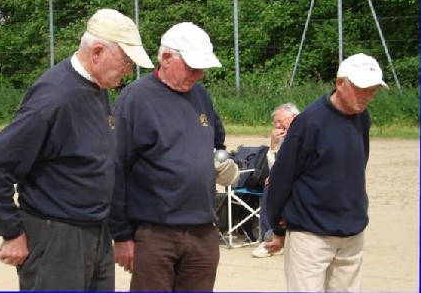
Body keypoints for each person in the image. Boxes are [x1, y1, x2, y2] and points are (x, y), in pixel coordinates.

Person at [0, 9, 154, 291]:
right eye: (126, 63)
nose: (128, 72)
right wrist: (11, 232)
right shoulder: (55, 98)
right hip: (57, 236)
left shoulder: (97, 88)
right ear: (97, 52)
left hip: (95, 232)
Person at [108, 22, 239, 291]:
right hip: (155, 232)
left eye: (202, 68)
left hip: (203, 230)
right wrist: (120, 235)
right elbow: (114, 168)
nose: (200, 74)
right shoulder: (135, 99)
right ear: (166, 58)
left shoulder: (200, 95)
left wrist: (222, 163)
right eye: (192, 67)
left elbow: (216, 143)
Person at [265, 53, 389, 291]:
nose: (367, 95)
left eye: (373, 89)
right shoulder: (310, 122)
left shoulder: (362, 118)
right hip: (311, 236)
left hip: (351, 233)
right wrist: (278, 228)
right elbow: (281, 178)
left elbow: (356, 165)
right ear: (340, 83)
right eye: (362, 88)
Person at [251, 103, 300, 258]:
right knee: (269, 187)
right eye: (275, 123)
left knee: (273, 188)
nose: (278, 126)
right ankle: (270, 237)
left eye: (280, 121)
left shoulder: (304, 133)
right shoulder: (285, 137)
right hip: (289, 179)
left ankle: (273, 240)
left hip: (303, 180)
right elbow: (276, 167)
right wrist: (273, 145)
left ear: (294, 117)